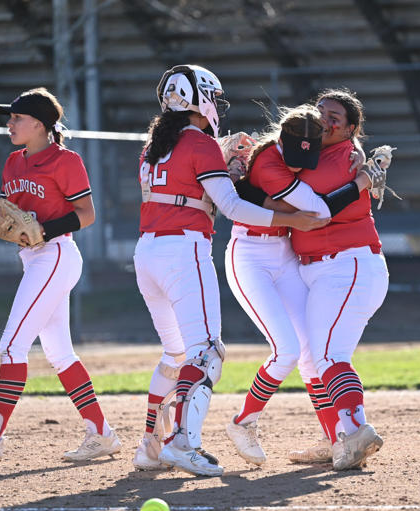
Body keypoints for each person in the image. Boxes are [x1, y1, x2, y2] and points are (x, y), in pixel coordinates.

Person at [130, 64, 328, 476]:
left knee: (175, 353)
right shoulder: (199, 142)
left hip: (147, 253)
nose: (217, 105)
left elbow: (184, 184)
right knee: (207, 354)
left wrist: (223, 161)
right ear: (200, 100)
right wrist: (294, 220)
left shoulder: (154, 145)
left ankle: (150, 445)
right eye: (214, 98)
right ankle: (182, 444)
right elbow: (233, 207)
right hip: (183, 252)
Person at [0, 88, 121, 462]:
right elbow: (5, 219)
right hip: (34, 258)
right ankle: (101, 433)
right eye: (10, 118)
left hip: (56, 255)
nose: (10, 123)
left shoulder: (66, 160)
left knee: (12, 345)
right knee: (60, 353)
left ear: (39, 125)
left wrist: (46, 229)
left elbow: (87, 214)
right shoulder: (13, 163)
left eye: (16, 118)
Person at [223, 102, 375, 467]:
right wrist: (361, 183)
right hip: (250, 256)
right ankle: (243, 422)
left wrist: (361, 160)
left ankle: (334, 438)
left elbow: (337, 154)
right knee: (287, 351)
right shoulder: (270, 160)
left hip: (285, 254)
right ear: (282, 140)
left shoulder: (309, 146)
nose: (296, 165)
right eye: (292, 156)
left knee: (310, 354)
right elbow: (320, 213)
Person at [291, 88, 389, 470]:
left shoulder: (344, 159)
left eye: (335, 117)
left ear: (351, 130)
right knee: (311, 362)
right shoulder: (316, 153)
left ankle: (356, 431)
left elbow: (306, 203)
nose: (324, 120)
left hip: (347, 265)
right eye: (320, 112)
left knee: (330, 355)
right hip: (323, 268)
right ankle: (336, 438)